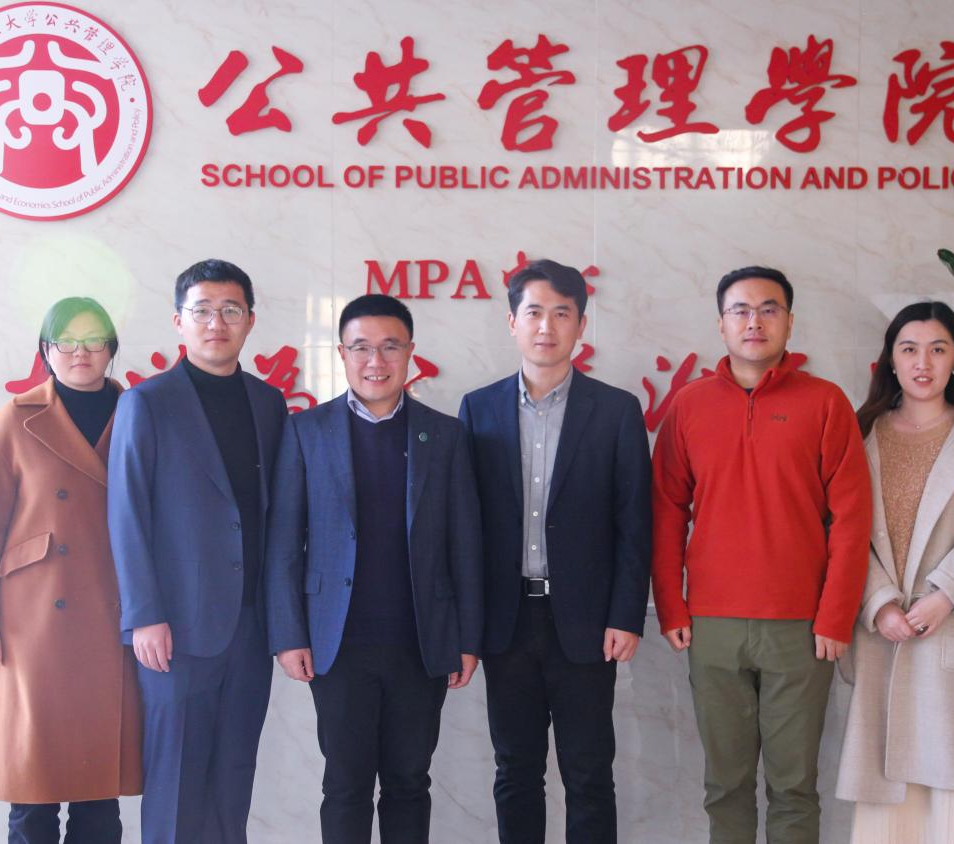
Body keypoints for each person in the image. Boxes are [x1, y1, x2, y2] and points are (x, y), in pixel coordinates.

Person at [650, 266, 872, 844]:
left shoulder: (825, 402)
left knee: (794, 787)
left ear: (790, 322)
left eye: (769, 309)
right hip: (711, 624)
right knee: (724, 785)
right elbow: (667, 510)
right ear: (721, 324)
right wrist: (671, 605)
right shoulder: (689, 405)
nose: (755, 321)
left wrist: (836, 614)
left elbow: (852, 518)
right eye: (741, 310)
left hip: (801, 627)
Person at [264, 294, 483, 844]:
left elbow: (465, 545)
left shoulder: (445, 435)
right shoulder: (306, 431)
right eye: (360, 347)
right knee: (345, 785)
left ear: (410, 353)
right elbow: (285, 543)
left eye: (390, 347)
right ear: (342, 353)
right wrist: (288, 635)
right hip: (337, 644)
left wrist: (467, 639)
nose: (375, 361)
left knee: (410, 783)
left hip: (421, 642)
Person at [458, 258, 651, 844]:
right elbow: (466, 527)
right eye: (534, 312)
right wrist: (467, 627)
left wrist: (625, 615)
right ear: (511, 322)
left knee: (589, 773)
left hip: (587, 623)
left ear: (581, 326)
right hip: (507, 621)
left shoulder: (616, 410)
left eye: (562, 313)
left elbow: (633, 522)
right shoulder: (478, 408)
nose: (547, 326)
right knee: (516, 771)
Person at [108, 259, 287, 844]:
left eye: (230, 310)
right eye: (203, 310)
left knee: (234, 779)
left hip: (252, 627)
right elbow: (127, 514)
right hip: (175, 630)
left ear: (250, 320)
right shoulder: (147, 402)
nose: (217, 323)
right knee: (177, 782)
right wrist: (144, 616)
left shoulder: (268, 402)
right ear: (178, 321)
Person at [836, 301, 954, 843]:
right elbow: (841, 527)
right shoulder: (861, 430)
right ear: (891, 361)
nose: (923, 362)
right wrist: (878, 603)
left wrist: (945, 595)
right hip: (885, 632)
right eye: (909, 349)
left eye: (938, 349)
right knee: (888, 782)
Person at [0, 296, 142, 844]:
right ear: (46, 350)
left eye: (93, 340)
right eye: (66, 341)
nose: (80, 352)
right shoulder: (16, 418)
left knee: (98, 793)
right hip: (33, 619)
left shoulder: (139, 413)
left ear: (111, 349)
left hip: (113, 611)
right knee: (32, 789)